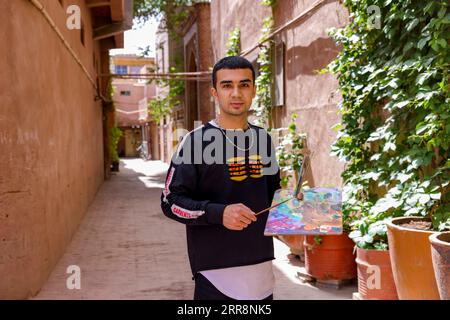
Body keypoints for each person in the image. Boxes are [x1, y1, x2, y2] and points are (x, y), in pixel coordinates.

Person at [161, 56, 301, 300]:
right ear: (214, 92)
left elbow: (271, 194)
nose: (236, 93)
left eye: (244, 85)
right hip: (217, 277)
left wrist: (292, 210)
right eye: (227, 85)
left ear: (254, 90)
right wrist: (218, 213)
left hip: (262, 275)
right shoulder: (194, 142)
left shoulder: (263, 140)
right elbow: (170, 202)